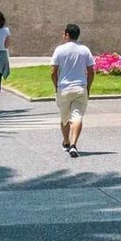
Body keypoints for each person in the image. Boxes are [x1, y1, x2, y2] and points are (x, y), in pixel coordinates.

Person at [50, 22, 95, 157]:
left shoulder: (59, 50)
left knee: (64, 118)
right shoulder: (85, 50)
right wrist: (88, 87)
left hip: (63, 88)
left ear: (67, 35)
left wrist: (56, 85)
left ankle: (67, 141)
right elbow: (91, 71)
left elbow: (53, 71)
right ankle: (73, 144)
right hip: (80, 87)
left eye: (64, 33)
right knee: (77, 116)